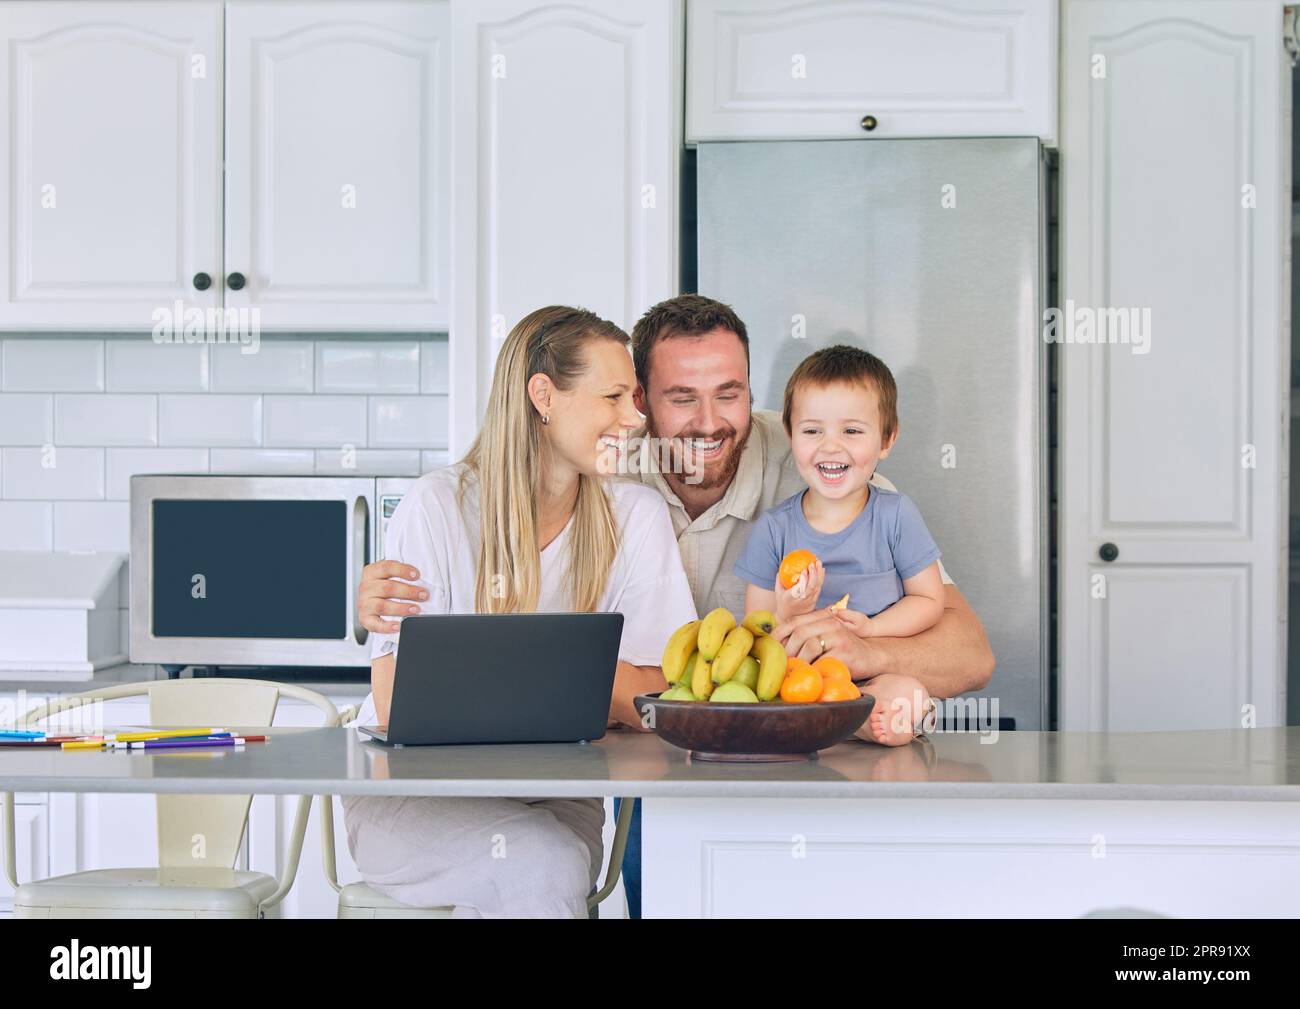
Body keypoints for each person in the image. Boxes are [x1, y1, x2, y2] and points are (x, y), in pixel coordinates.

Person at [357, 295, 996, 914]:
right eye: (677, 397)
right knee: (560, 861)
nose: (708, 420)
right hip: (621, 773)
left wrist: (868, 654)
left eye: (730, 392)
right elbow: (411, 694)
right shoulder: (600, 468)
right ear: (641, 399)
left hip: (753, 766)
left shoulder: (823, 464)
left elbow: (967, 651)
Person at [341, 305, 697, 918]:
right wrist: (579, 678)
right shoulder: (436, 508)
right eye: (613, 396)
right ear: (543, 395)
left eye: (635, 399)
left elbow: (659, 696)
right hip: (415, 801)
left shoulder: (636, 517)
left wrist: (499, 669)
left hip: (559, 800)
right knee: (538, 863)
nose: (635, 419)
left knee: (542, 857)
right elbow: (400, 702)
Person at [735, 345, 944, 745]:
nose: (831, 447)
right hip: (799, 675)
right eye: (812, 431)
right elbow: (757, 631)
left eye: (851, 431)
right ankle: (842, 717)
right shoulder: (774, 529)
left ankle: (859, 715)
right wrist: (790, 611)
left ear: (886, 439)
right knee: (766, 692)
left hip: (875, 675)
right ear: (790, 435)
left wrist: (872, 629)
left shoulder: (896, 516)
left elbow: (929, 600)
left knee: (909, 695)